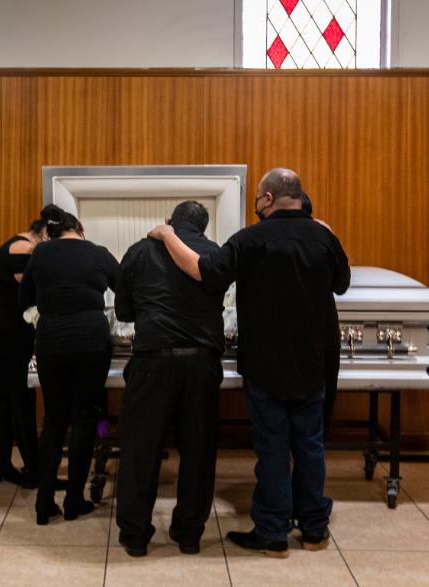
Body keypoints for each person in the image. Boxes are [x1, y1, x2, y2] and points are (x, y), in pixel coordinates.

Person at [148, 168, 350, 558]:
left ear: (268, 200)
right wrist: (328, 231)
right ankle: (313, 529)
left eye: (258, 199)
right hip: (313, 361)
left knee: (273, 447)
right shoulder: (323, 238)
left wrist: (167, 234)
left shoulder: (251, 239)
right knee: (310, 445)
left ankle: (273, 533)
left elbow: (204, 272)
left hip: (266, 363)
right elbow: (342, 283)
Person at [114, 201, 226, 558]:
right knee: (198, 449)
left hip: (153, 363)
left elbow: (122, 310)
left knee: (140, 450)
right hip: (202, 365)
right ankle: (189, 534)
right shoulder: (216, 254)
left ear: (171, 222)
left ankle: (135, 535)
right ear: (203, 227)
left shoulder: (140, 250)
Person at [20, 205, 120, 525]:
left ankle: (44, 502)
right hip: (92, 342)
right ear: (80, 229)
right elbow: (126, 292)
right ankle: (75, 501)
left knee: (54, 420)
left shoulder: (41, 254)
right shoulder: (99, 253)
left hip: (51, 341)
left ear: (51, 233)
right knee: (85, 419)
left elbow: (24, 299)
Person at [0, 214, 47, 487]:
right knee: (21, 398)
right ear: (44, 235)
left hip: (0, 334)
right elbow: (32, 293)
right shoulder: (24, 248)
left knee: (8, 397)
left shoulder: (20, 245)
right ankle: (33, 470)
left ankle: (0, 464)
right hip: (2, 335)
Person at [300, 193, 343, 442]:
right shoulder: (324, 238)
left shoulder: (272, 236)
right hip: (323, 337)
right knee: (318, 419)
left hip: (290, 339)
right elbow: (342, 283)